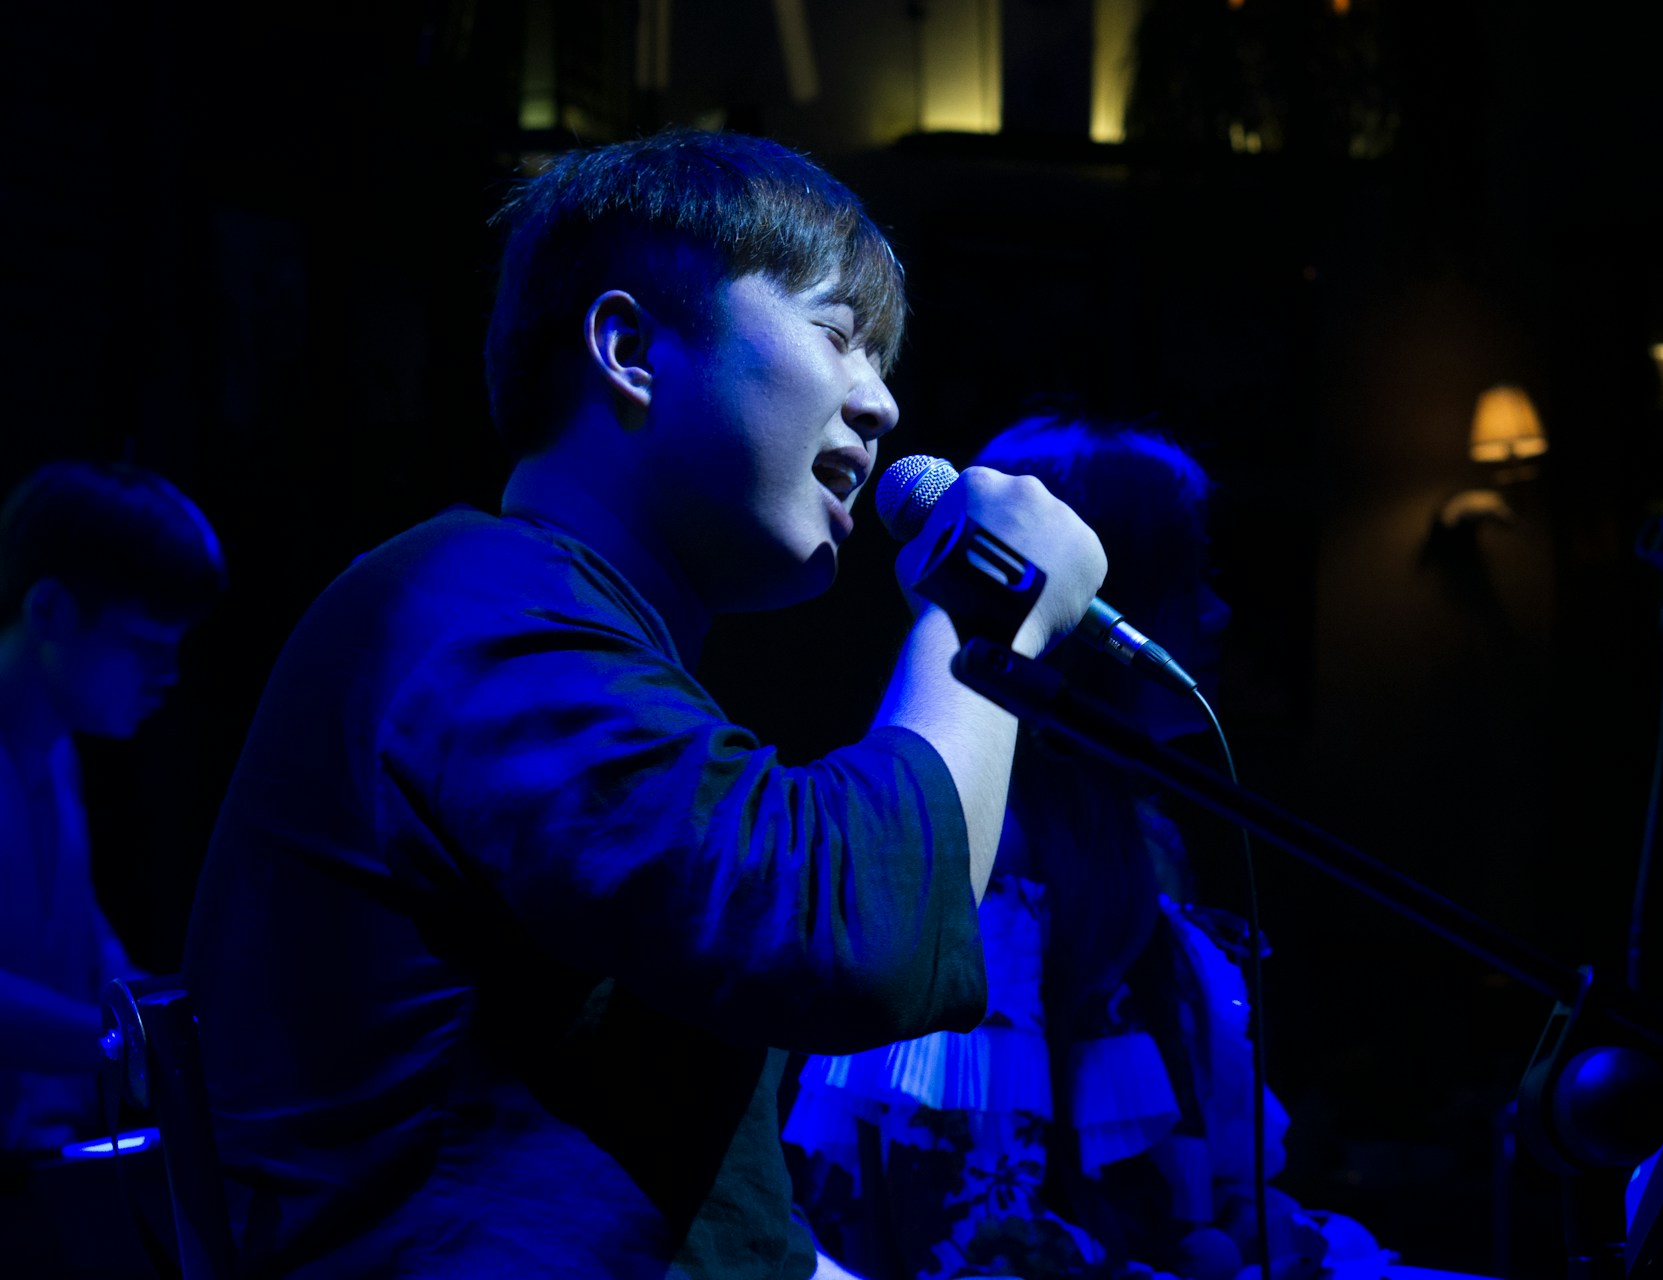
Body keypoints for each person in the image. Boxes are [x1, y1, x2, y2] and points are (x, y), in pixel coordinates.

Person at [184, 129, 1106, 1278]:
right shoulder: (474, 614)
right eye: (835, 334)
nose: (879, 403)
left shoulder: (566, 643)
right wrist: (984, 611)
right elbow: (852, 928)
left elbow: (656, 1181)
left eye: (884, 360)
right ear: (629, 348)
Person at [785, 415, 1352, 1280]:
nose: (1219, 610)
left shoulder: (1140, 842)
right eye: (1192, 569)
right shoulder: (994, 863)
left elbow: (1175, 1190)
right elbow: (971, 1237)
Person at [0, 460, 226, 1154]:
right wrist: (131, 1042)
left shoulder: (55, 753)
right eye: (143, 644)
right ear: (48, 611)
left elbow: (86, 942)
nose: (169, 675)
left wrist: (172, 1017)